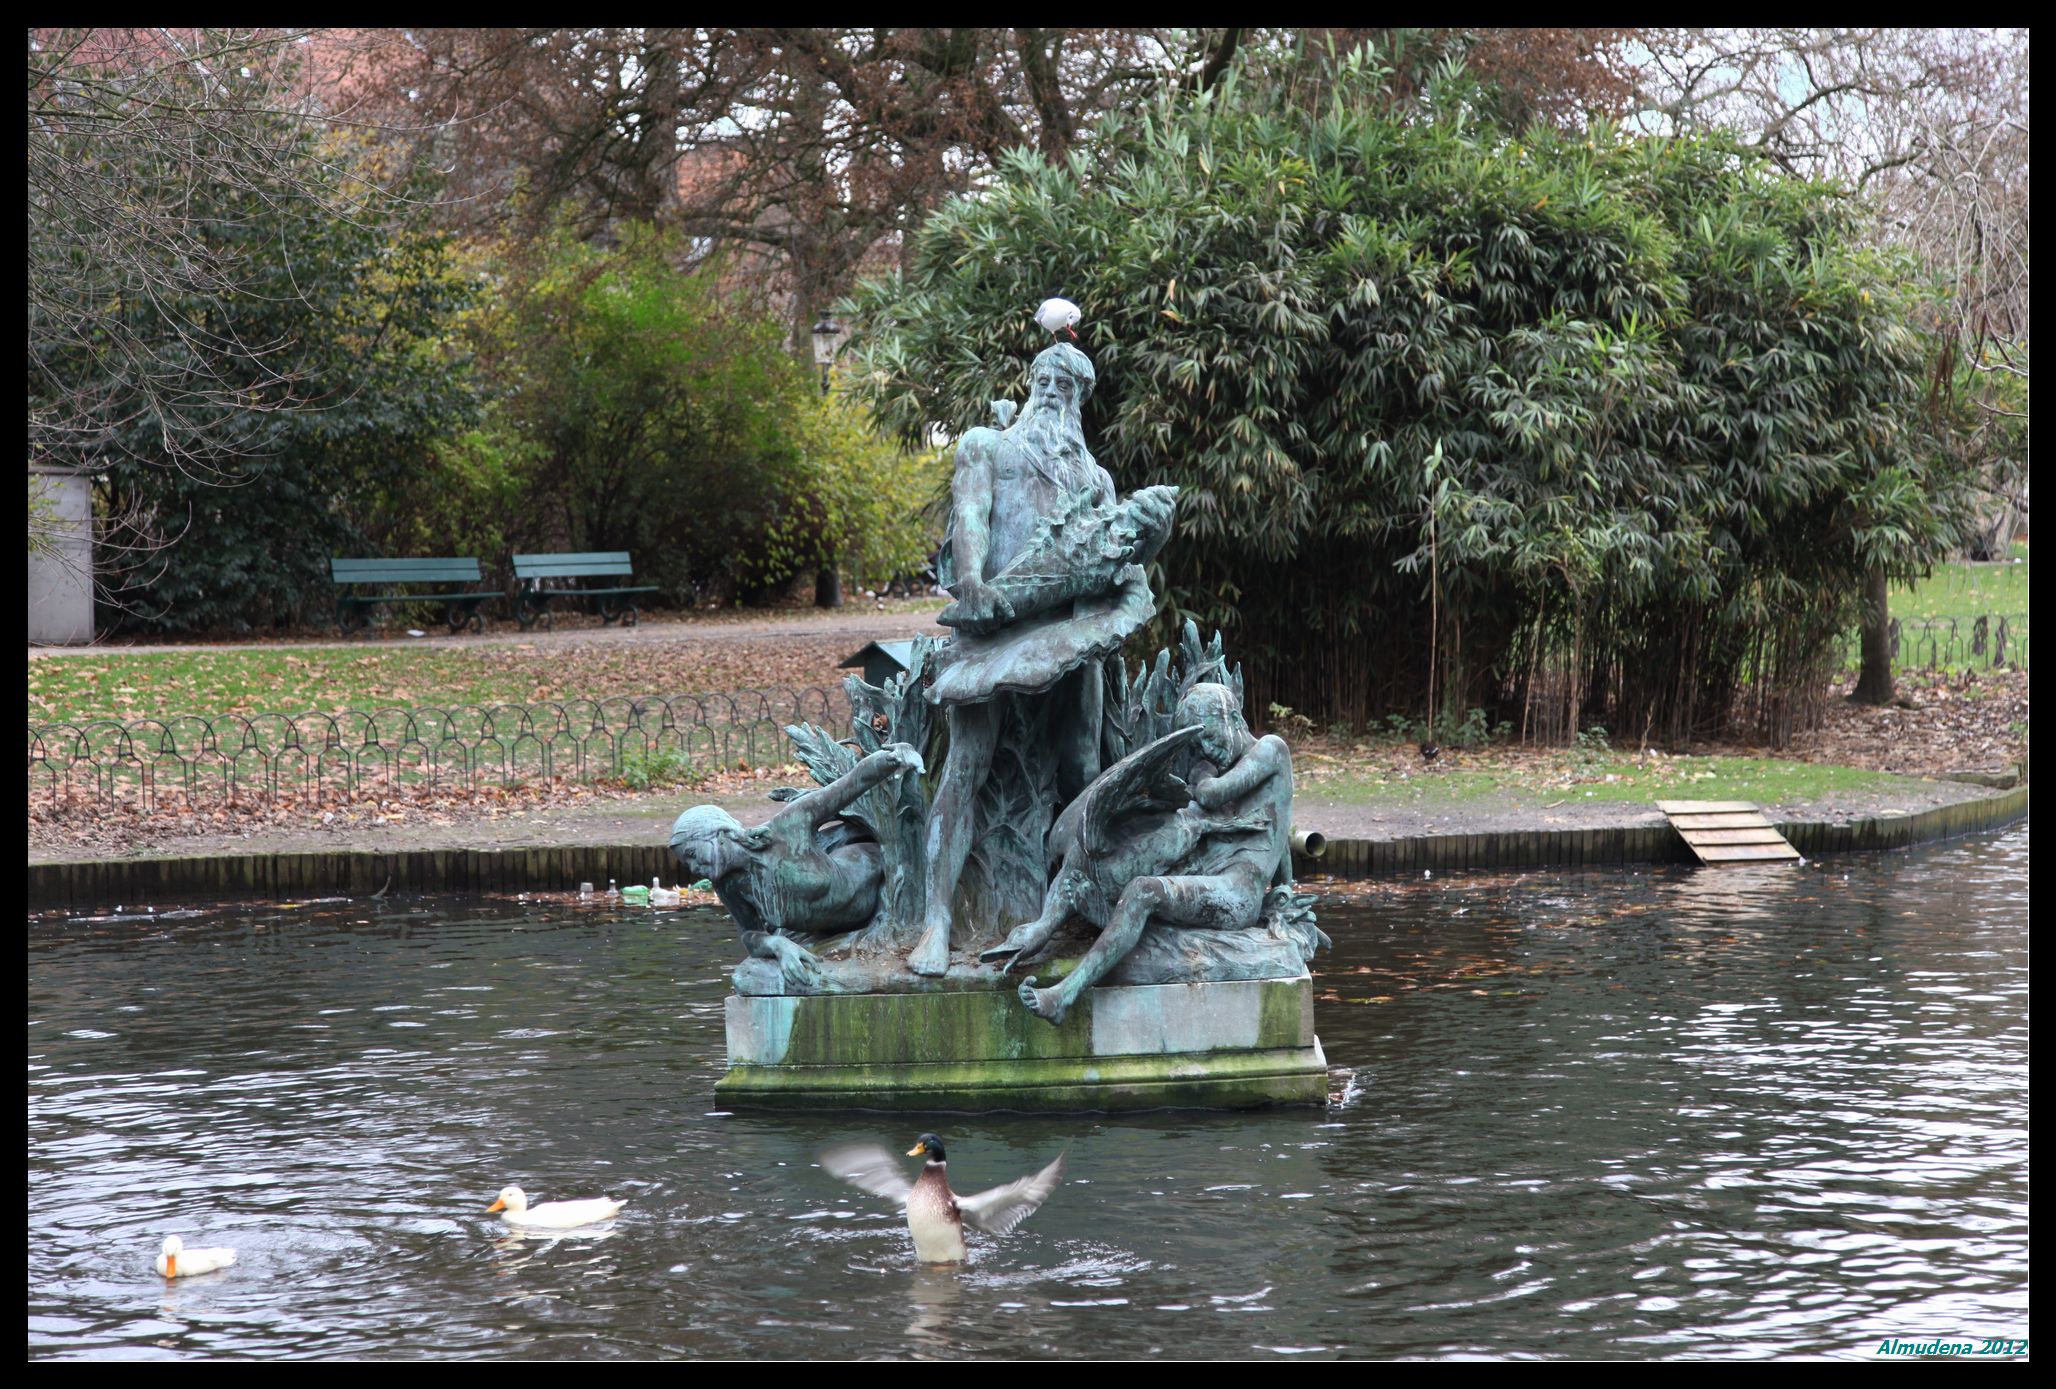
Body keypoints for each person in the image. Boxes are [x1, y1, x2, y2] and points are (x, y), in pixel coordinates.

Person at [909, 341, 1130, 975]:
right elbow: (971, 512)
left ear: (1083, 398)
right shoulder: (989, 445)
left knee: (1084, 761)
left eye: (1069, 383)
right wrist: (973, 579)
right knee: (967, 765)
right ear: (1031, 383)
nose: (1055, 391)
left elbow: (1111, 556)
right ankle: (937, 922)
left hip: (1069, 637)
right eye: (1046, 379)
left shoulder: (1096, 478)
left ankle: (1078, 909)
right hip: (994, 628)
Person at [999, 683, 1294, 1026]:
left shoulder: (1272, 750)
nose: (1206, 750)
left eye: (1210, 738)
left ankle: (1064, 995)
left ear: (1232, 718)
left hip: (1237, 892)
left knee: (1144, 891)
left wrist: (1200, 774)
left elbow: (1212, 795)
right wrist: (1288, 884)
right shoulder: (1237, 766)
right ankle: (1050, 926)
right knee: (1100, 859)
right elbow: (1281, 828)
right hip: (1210, 873)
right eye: (1198, 745)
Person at [670, 743, 922, 989]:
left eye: (692, 853)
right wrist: (779, 946)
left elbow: (850, 784)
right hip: (828, 931)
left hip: (875, 879)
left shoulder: (787, 827)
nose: (693, 867)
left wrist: (894, 757)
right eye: (687, 861)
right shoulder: (729, 884)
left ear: (720, 833)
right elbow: (750, 936)